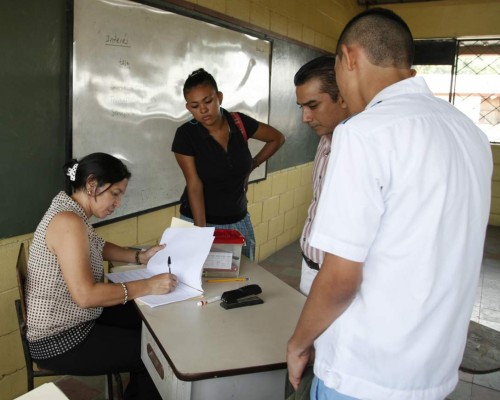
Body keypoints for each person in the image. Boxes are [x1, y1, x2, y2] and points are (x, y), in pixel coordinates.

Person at [287, 8, 492, 400]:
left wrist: (299, 342)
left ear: (349, 58)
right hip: (433, 371)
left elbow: (341, 279)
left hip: (363, 373)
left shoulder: (364, 134)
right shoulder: (470, 133)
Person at [26, 152, 177, 400]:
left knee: (148, 323)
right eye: (115, 194)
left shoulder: (71, 210)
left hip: (75, 316)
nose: (117, 203)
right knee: (154, 354)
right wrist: (147, 285)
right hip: (59, 337)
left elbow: (97, 244)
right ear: (92, 184)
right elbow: (86, 296)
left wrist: (141, 257)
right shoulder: (68, 221)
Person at [172, 68, 285, 260]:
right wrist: (201, 233)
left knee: (242, 280)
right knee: (199, 281)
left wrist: (252, 164)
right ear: (188, 107)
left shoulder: (239, 122)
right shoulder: (186, 135)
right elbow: (194, 185)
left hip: (238, 221)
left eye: (208, 101)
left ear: (219, 97)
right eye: (195, 105)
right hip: (198, 221)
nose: (203, 110)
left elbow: (277, 138)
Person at [295, 55, 349, 297]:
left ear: (343, 97)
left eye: (313, 106)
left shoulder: (358, 150)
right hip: (310, 265)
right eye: (302, 107)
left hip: (335, 278)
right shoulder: (325, 139)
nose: (305, 117)